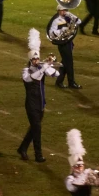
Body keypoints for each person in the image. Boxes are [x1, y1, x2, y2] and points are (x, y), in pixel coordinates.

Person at [17, 29, 58, 162]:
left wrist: (48, 66)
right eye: (34, 59)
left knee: (34, 129)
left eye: (37, 58)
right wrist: (43, 68)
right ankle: (38, 155)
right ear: (30, 59)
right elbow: (31, 78)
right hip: (31, 105)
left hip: (41, 103)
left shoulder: (41, 68)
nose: (36, 60)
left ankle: (22, 148)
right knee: (37, 129)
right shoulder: (26, 71)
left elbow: (56, 75)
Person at [50, 5, 81, 89]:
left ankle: (59, 81)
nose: (64, 12)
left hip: (69, 42)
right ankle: (71, 82)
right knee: (69, 63)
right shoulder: (56, 21)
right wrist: (62, 31)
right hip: (62, 43)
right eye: (62, 10)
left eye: (65, 10)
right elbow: (51, 32)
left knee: (65, 63)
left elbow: (79, 22)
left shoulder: (68, 18)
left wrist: (70, 14)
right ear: (58, 11)